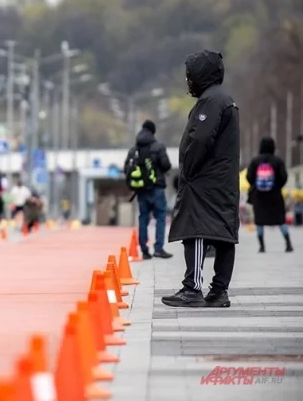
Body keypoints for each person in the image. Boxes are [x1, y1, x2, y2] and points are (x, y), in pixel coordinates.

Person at [162, 50, 240, 308]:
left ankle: (192, 288)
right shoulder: (224, 98)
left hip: (204, 181)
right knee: (224, 234)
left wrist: (189, 168)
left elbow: (201, 138)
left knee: (195, 229)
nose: (188, 81)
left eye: (190, 75)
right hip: (223, 181)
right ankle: (219, 291)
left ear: (201, 74)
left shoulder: (211, 100)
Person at [124, 119, 173, 259]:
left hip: (141, 190)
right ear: (153, 132)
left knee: (143, 217)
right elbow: (166, 164)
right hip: (157, 188)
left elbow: (126, 169)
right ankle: (158, 249)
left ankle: (144, 250)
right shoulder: (158, 146)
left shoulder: (134, 150)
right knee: (160, 217)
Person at [246, 137, 294, 253]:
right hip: (275, 195)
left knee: (259, 221)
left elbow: (249, 176)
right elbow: (284, 177)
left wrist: (256, 185)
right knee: (281, 220)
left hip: (259, 196)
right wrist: (277, 187)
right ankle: (288, 244)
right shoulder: (278, 161)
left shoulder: (255, 161)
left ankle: (262, 246)